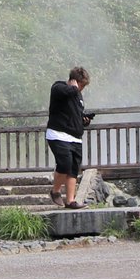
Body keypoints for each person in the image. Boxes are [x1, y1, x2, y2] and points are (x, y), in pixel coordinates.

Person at [45, 66, 93, 208]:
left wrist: (84, 120)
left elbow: (75, 114)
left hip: (75, 137)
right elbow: (68, 92)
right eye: (81, 85)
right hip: (58, 134)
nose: (82, 89)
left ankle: (70, 201)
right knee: (64, 164)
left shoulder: (77, 95)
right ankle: (55, 191)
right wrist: (74, 87)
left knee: (73, 168)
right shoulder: (58, 87)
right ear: (74, 81)